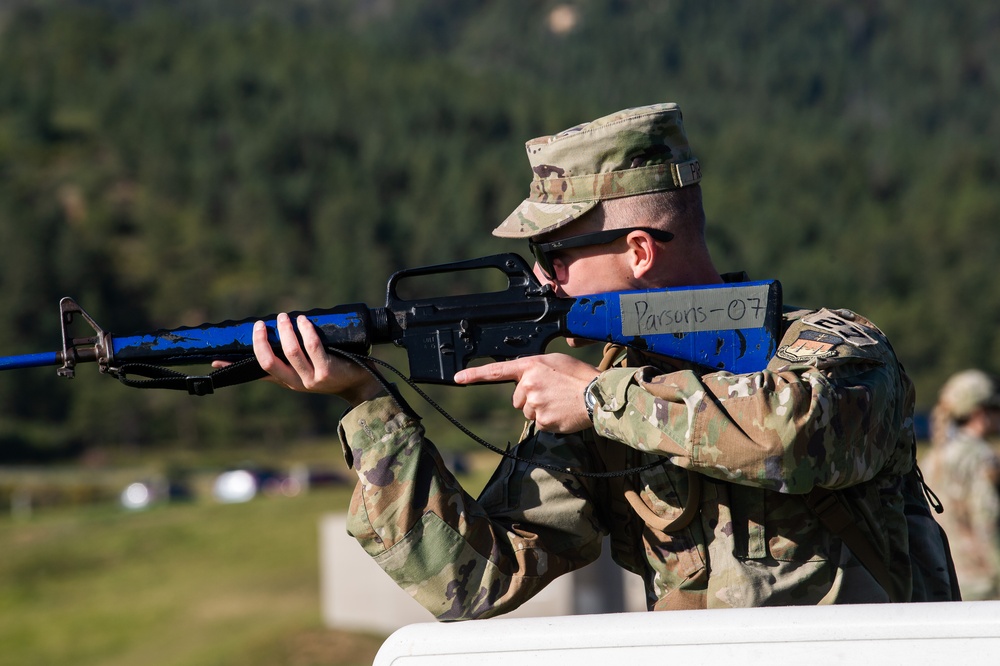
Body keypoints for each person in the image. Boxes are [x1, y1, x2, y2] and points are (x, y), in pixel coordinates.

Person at [249, 103, 957, 616]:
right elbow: (474, 582)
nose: (542, 281)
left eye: (553, 256)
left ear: (639, 252)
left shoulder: (830, 346)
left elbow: (796, 439)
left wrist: (597, 400)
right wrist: (368, 408)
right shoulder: (603, 391)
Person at [922, 369, 1000, 600]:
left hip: (944, 578)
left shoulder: (932, 458)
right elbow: (987, 521)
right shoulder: (980, 457)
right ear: (980, 412)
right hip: (982, 583)